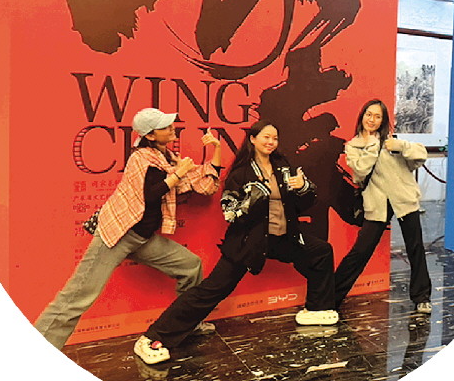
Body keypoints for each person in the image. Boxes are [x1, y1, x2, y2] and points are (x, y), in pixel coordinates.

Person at [134, 120, 338, 365]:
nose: (271, 142)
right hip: (249, 242)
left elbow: (303, 203)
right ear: (252, 139)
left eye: (275, 138)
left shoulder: (283, 165)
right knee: (213, 290)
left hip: (282, 237)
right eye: (266, 137)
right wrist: (254, 198)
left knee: (320, 251)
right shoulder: (241, 172)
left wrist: (304, 187)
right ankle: (153, 337)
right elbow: (230, 213)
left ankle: (317, 308)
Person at [34, 108, 222, 350]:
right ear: (150, 135)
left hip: (142, 238)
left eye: (170, 124)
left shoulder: (165, 158)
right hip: (118, 234)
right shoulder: (140, 158)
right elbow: (149, 195)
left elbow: (201, 184)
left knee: (191, 266)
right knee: (77, 297)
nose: (171, 128)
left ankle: (187, 324)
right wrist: (179, 173)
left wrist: (214, 150)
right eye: (165, 127)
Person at [334, 99, 432, 314]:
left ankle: (422, 297)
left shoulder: (390, 142)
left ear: (383, 121)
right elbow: (360, 171)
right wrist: (371, 145)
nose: (372, 120)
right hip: (377, 203)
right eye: (369, 114)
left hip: (403, 199)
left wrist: (402, 147)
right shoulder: (353, 146)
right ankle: (330, 298)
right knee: (361, 251)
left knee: (415, 248)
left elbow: (420, 156)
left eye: (377, 116)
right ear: (362, 116)